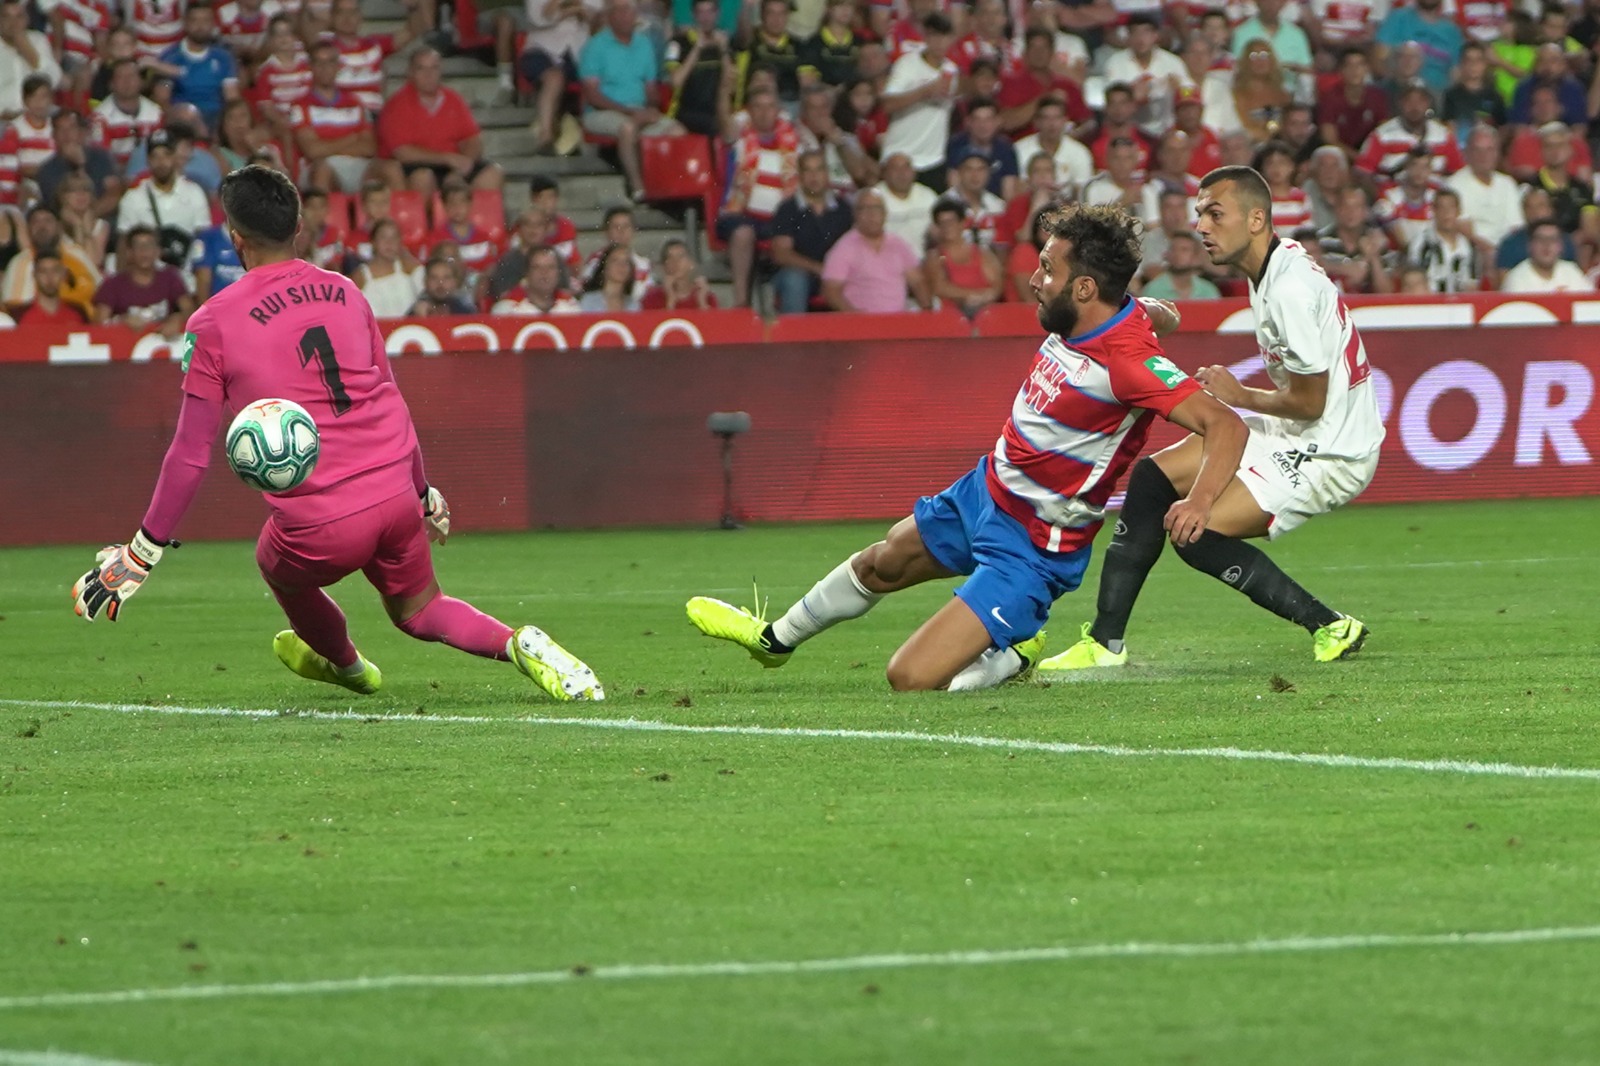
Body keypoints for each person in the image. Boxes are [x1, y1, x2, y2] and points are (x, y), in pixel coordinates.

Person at [70, 165, 604, 704]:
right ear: (299, 224)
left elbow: (189, 452)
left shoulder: (213, 322)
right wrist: (422, 493)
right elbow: (390, 396)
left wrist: (141, 553)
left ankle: (348, 666)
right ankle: (520, 643)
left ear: (235, 237)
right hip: (394, 491)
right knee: (421, 611)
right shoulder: (347, 291)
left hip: (320, 523)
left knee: (275, 566)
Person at [684, 202, 1248, 692]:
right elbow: (1137, 315)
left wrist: (1197, 503)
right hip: (983, 492)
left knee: (911, 678)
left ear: (1083, 288)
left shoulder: (1128, 360)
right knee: (880, 563)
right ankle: (773, 641)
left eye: (1047, 269)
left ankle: (1014, 651)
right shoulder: (1092, 317)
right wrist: (1158, 315)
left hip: (1034, 544)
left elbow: (1226, 426)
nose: (1033, 278)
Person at [1040, 166, 1381, 675]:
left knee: (1193, 531)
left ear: (1257, 218)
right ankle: (1105, 642)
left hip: (1332, 451)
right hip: (1302, 431)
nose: (1201, 225)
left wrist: (1239, 394)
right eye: (1200, 213)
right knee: (1154, 479)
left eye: (1215, 213)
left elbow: (1311, 403)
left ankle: (1330, 624)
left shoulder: (1288, 290)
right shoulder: (1274, 267)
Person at [577, 0, 684, 199]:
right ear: (610, 16)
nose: (626, 16)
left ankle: (669, 187)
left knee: (677, 130)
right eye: (620, 11)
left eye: (629, 11)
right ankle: (638, 188)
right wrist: (629, 112)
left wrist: (652, 108)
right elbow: (592, 96)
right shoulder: (595, 46)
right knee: (628, 128)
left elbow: (651, 88)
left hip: (638, 110)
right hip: (602, 112)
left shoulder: (644, 44)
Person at [377, 47, 505, 199]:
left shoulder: (454, 99)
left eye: (434, 68)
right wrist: (446, 158)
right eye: (421, 69)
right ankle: (427, 222)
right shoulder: (396, 105)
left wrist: (462, 167)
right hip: (417, 166)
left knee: (493, 174)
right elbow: (403, 153)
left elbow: (472, 139)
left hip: (452, 166)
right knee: (423, 178)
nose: (428, 75)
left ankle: (479, 222)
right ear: (410, 73)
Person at [878, 12, 959, 192]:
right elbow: (887, 105)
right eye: (934, 36)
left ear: (951, 39)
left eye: (944, 36)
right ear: (926, 37)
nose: (939, 42)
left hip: (933, 159)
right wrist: (924, 92)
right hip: (901, 155)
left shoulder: (951, 70)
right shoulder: (907, 64)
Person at [769, 148, 853, 312]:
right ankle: (794, 336)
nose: (814, 176)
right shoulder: (787, 209)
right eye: (808, 170)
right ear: (799, 175)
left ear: (827, 173)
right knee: (795, 279)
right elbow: (781, 254)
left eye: (819, 169)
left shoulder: (845, 209)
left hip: (838, 275)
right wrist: (819, 269)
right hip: (802, 274)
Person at [820, 188, 928, 312]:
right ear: (855, 214)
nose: (872, 214)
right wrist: (853, 316)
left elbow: (918, 282)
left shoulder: (898, 244)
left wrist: (927, 313)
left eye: (877, 209)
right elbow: (831, 291)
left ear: (885, 213)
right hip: (862, 325)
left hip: (899, 323)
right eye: (865, 209)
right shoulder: (844, 248)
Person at [93, 224, 194, 336]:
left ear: (158, 252)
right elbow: (99, 323)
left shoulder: (170, 277)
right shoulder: (112, 284)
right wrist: (121, 320)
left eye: (149, 246)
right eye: (138, 246)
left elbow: (190, 310)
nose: (144, 251)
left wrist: (177, 319)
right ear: (129, 253)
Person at [159, 1, 239, 132]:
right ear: (185, 23)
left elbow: (232, 97)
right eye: (195, 20)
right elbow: (163, 99)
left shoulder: (223, 57)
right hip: (184, 121)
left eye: (205, 21)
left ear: (213, 24)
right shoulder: (170, 58)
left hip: (217, 119)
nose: (200, 26)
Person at [924, 198, 1002, 315]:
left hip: (986, 314)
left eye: (951, 222)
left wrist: (986, 296)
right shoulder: (934, 257)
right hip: (951, 317)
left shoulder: (982, 253)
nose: (947, 227)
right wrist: (974, 295)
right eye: (942, 223)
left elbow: (996, 284)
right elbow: (940, 287)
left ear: (962, 223)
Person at [1449, 125, 1522, 250]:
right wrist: (1492, 252)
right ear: (1466, 153)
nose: (1483, 156)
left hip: (1507, 251)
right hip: (1475, 251)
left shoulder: (1507, 183)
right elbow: (1464, 231)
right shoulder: (1454, 185)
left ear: (1498, 153)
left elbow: (1516, 226)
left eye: (1490, 150)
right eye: (1477, 150)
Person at [1408, 187, 1486, 293]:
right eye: (1441, 208)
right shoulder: (1421, 244)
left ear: (1459, 211)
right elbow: (1414, 283)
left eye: (1451, 208)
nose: (1446, 213)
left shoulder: (1469, 246)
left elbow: (1472, 284)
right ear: (1433, 211)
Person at [1012, 95, 1093, 195]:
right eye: (1046, 118)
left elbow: (1082, 191)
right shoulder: (1019, 150)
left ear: (1065, 121)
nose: (1052, 124)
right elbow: (1016, 190)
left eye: (1057, 118)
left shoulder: (1080, 152)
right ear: (1037, 122)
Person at [1500, 219, 1592, 292]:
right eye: (1540, 239)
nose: (1547, 245)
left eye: (1552, 239)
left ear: (1561, 246)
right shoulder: (1517, 278)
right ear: (1530, 246)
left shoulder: (1571, 271)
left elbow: (1589, 304)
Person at [873, 150, 939, 252]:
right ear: (884, 173)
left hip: (925, 261)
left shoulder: (928, 196)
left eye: (906, 167)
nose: (902, 173)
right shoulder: (874, 198)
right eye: (895, 168)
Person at [492, 244, 581, 314]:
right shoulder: (507, 308)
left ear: (558, 273)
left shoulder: (571, 306)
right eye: (537, 267)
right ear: (527, 273)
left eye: (551, 267)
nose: (544, 272)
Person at [640, 237, 719, 310]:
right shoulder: (652, 298)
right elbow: (655, 324)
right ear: (664, 266)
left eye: (681, 256)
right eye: (670, 258)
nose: (675, 262)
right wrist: (670, 301)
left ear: (691, 264)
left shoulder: (707, 297)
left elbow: (712, 324)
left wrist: (702, 303)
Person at [14, 249, 88, 325]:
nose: (49, 277)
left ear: (63, 274)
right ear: (34, 275)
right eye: (43, 271)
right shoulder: (20, 316)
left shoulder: (77, 314)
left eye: (55, 271)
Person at [1141, 230, 1220, 300]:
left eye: (1184, 250)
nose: (1177, 254)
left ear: (1195, 257)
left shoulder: (1208, 291)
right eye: (1173, 249)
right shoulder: (1153, 290)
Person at [578, 242, 642, 311]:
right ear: (604, 267)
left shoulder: (634, 305)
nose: (621, 266)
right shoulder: (588, 300)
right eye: (615, 260)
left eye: (626, 262)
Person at [192, 221, 244, 301]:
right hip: (219, 306)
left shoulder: (261, 238)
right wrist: (206, 311)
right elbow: (203, 279)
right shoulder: (207, 238)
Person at [408, 255, 476, 315]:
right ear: (425, 282)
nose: (440, 283)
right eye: (434, 278)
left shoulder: (465, 313)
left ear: (455, 282)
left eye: (446, 278)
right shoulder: (416, 313)